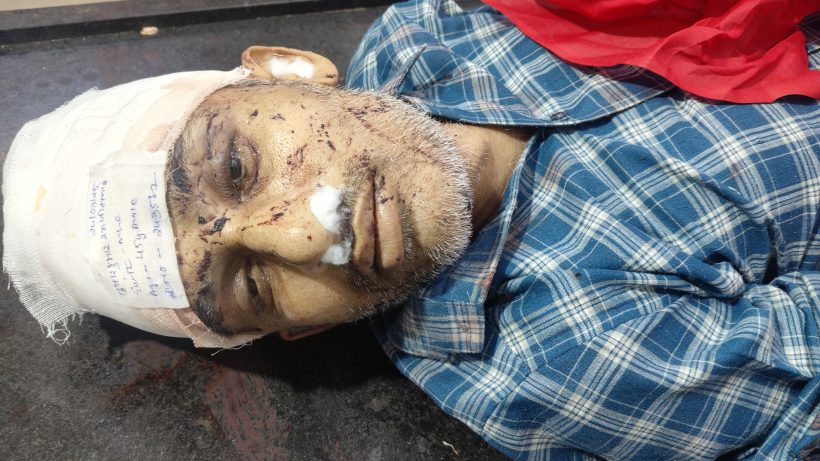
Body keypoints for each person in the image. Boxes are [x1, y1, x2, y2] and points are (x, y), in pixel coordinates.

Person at [3, 0, 818, 459]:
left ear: (292, 70)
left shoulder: (433, 27)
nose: (303, 237)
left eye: (239, 166)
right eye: (251, 282)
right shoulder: (554, 359)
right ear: (302, 329)